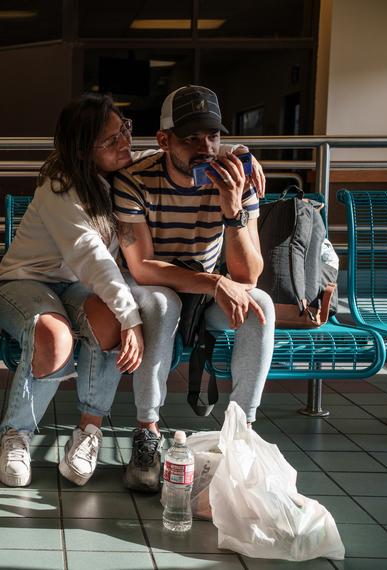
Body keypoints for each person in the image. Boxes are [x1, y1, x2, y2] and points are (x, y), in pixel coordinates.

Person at [113, 85, 275, 492]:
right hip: (159, 283)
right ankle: (147, 432)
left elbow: (249, 275)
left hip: (206, 289)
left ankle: (240, 432)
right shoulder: (134, 180)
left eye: (213, 135)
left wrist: (233, 209)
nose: (206, 147)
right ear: (164, 140)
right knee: (161, 304)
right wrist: (216, 282)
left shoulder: (237, 178)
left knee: (260, 305)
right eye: (191, 138)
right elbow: (144, 268)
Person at [0, 93, 144, 488]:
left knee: (108, 320)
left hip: (74, 287)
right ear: (82, 150)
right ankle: (16, 434)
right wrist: (134, 317)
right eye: (111, 140)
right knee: (55, 337)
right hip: (24, 283)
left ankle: (88, 432)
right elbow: (92, 256)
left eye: (125, 129)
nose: (124, 142)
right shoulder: (59, 188)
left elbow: (189, 152)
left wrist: (236, 153)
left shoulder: (124, 174)